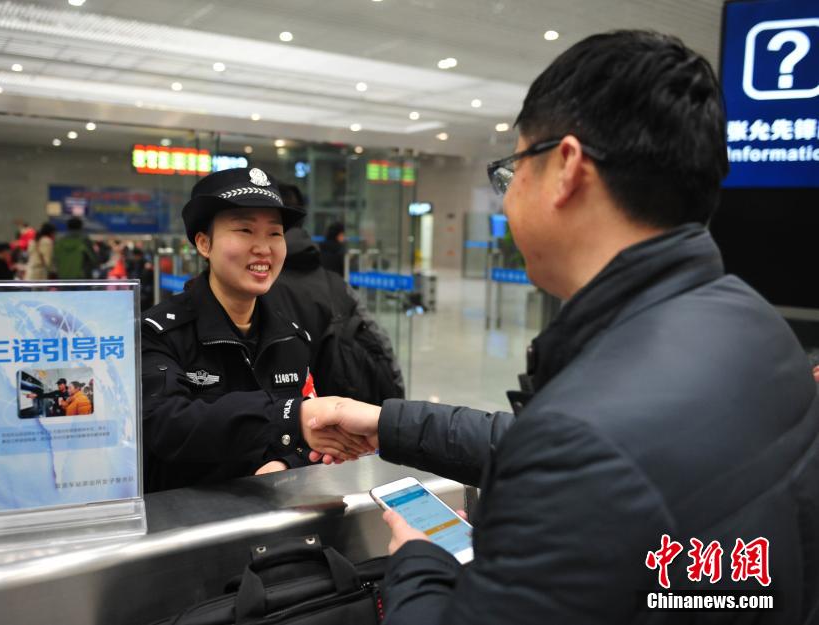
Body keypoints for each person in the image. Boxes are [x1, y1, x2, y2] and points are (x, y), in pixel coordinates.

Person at [301, 31, 819, 624]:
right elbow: (572, 447)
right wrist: (387, 423)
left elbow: (577, 450)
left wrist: (419, 562)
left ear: (566, 167)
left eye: (513, 169)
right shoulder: (755, 324)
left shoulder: (587, 436)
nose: (507, 198)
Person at [140, 167, 371, 493]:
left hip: (273, 519)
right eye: (245, 230)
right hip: (185, 527)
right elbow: (165, 424)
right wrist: (288, 420)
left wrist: (286, 464)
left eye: (275, 234)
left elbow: (310, 441)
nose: (264, 248)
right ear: (204, 243)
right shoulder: (157, 333)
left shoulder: (290, 336)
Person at [274, 185, 404, 404]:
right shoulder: (335, 285)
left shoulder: (251, 293)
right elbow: (382, 347)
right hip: (338, 417)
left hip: (282, 422)